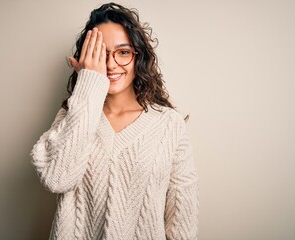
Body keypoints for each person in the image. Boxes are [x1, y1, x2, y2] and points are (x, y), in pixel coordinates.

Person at [30, 2, 199, 239]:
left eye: (123, 52)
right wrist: (89, 85)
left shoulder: (169, 125)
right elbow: (57, 179)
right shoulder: (71, 118)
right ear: (86, 59)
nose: (110, 64)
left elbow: (183, 221)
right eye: (100, 53)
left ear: (138, 56)